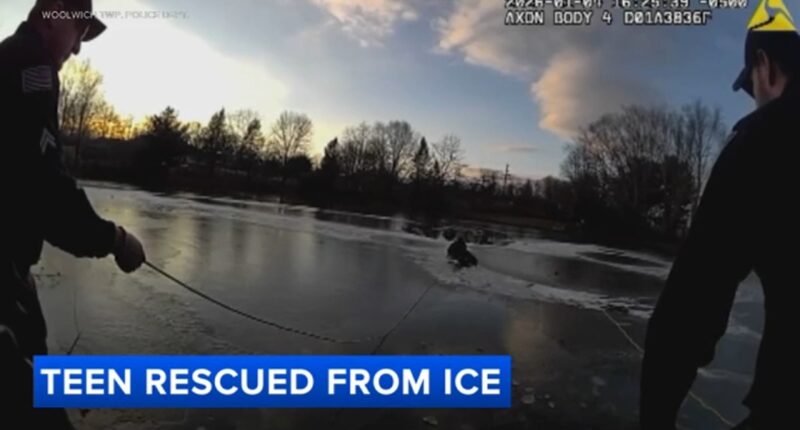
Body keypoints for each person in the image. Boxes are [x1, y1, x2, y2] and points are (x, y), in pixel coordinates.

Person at [640, 29, 800, 430]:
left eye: (751, 87)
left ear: (764, 65)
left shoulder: (767, 139)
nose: (755, 99)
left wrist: (655, 417)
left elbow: (692, 302)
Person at [0, 0, 146, 426]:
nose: (79, 47)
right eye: (79, 31)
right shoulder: (32, 66)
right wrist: (115, 240)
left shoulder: (12, 58)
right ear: (53, 13)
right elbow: (44, 188)